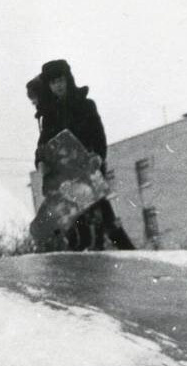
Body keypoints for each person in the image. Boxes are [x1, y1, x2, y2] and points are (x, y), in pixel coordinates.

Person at [35, 59, 134, 251]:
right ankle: (83, 252)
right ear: (49, 86)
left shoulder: (85, 105)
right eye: (53, 82)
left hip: (88, 165)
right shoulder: (49, 114)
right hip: (65, 171)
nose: (58, 85)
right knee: (76, 216)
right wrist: (40, 161)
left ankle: (125, 249)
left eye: (61, 80)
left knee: (102, 211)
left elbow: (99, 134)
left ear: (68, 80)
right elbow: (43, 145)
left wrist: (97, 156)